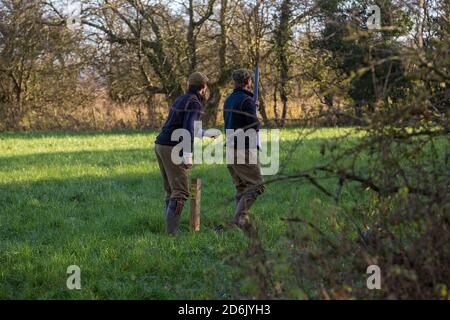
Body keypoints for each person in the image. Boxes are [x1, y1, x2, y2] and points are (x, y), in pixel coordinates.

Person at [155, 72, 215, 235]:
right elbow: (188, 129)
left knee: (171, 190)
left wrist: (205, 134)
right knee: (181, 191)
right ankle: (172, 233)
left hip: (161, 144)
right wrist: (187, 155)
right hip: (172, 146)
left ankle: (170, 230)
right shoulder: (195, 102)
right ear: (203, 88)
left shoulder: (181, 98)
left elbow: (184, 125)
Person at [223, 69, 265, 231]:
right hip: (244, 150)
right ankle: (236, 222)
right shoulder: (246, 100)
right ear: (248, 81)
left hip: (231, 149)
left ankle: (240, 223)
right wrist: (254, 111)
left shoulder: (228, 100)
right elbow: (254, 125)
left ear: (234, 82)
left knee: (242, 188)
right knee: (256, 186)